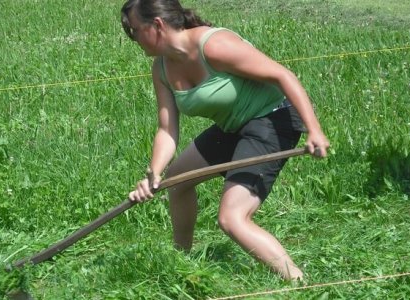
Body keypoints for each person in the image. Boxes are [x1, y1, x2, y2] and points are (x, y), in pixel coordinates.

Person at [121, 0, 330, 280]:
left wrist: (314, 130)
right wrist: (154, 174)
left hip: (272, 119)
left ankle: (300, 283)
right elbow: (167, 130)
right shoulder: (161, 69)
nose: (132, 38)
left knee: (231, 218)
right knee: (177, 180)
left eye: (134, 30)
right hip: (233, 127)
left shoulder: (214, 45)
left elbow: (283, 75)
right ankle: (181, 262)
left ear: (157, 25)